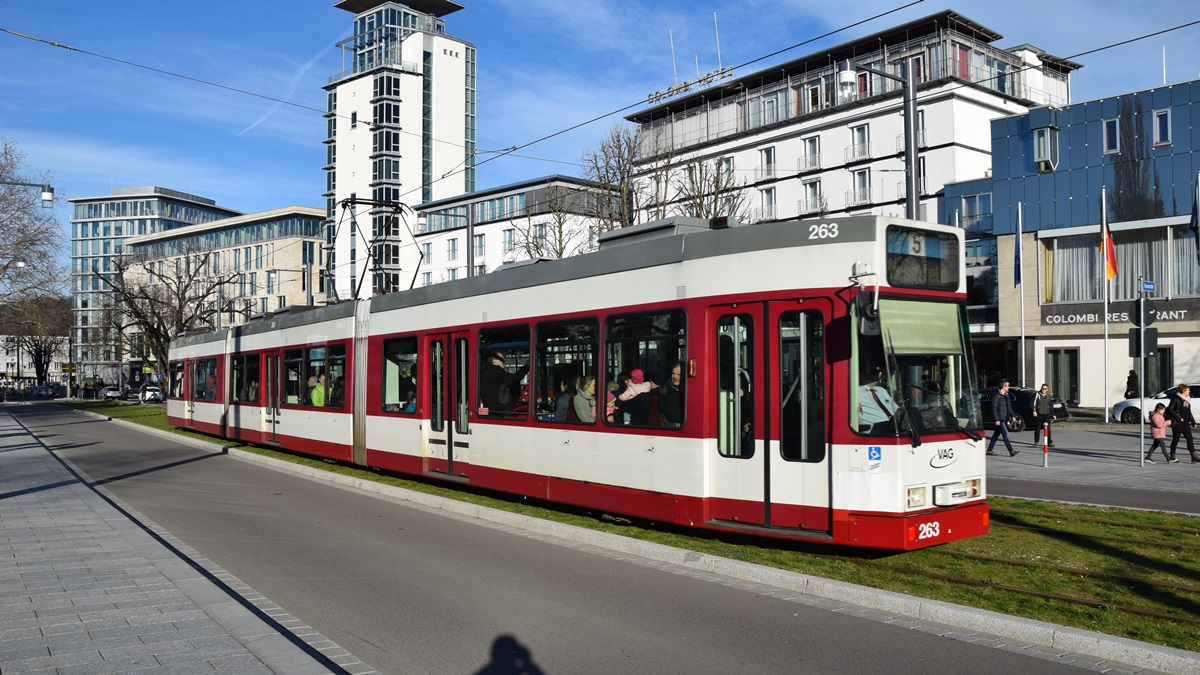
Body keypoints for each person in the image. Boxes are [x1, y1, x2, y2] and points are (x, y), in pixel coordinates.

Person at [1166, 383, 1199, 463]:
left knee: (1190, 439)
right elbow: (1170, 409)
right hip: (1178, 423)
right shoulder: (1176, 399)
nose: (1189, 391)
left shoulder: (1187, 400)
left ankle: (1194, 456)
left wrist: (1193, 422)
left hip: (1186, 423)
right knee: (1176, 439)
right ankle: (1172, 456)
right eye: (1188, 390)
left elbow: (1188, 412)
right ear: (1183, 390)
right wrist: (1179, 418)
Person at [986, 380, 1020, 457]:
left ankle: (989, 450)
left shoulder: (1006, 395)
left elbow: (1009, 407)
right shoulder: (996, 396)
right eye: (1007, 386)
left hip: (1004, 418)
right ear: (1003, 387)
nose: (1008, 387)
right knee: (1005, 434)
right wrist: (996, 419)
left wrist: (1013, 416)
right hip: (999, 419)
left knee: (996, 434)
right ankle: (1011, 451)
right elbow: (994, 408)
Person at [658, 362, 685, 428]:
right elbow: (673, 416)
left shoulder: (688, 390)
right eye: (673, 373)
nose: (675, 377)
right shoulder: (664, 390)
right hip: (673, 428)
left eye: (678, 374)